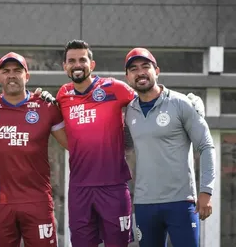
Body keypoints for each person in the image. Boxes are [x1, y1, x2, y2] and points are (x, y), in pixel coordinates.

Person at [38, 40, 206, 247]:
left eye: (82, 59)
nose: (77, 64)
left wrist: (189, 104)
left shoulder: (115, 88)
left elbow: (149, 96)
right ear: (65, 67)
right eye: (71, 61)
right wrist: (45, 103)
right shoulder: (63, 94)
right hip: (79, 188)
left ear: (92, 64)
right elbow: (66, 133)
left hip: (114, 187)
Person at [0, 52, 68, 247]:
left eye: (17, 70)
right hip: (1, 204)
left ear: (27, 76)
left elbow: (72, 144)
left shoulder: (46, 107)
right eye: (6, 71)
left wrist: (62, 106)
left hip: (37, 201)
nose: (12, 75)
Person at [123, 47, 215, 247]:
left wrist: (206, 192)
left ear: (156, 71)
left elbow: (207, 146)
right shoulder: (129, 112)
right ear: (128, 77)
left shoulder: (182, 103)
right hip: (145, 204)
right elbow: (125, 148)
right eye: (134, 69)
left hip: (181, 202)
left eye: (145, 66)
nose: (140, 72)